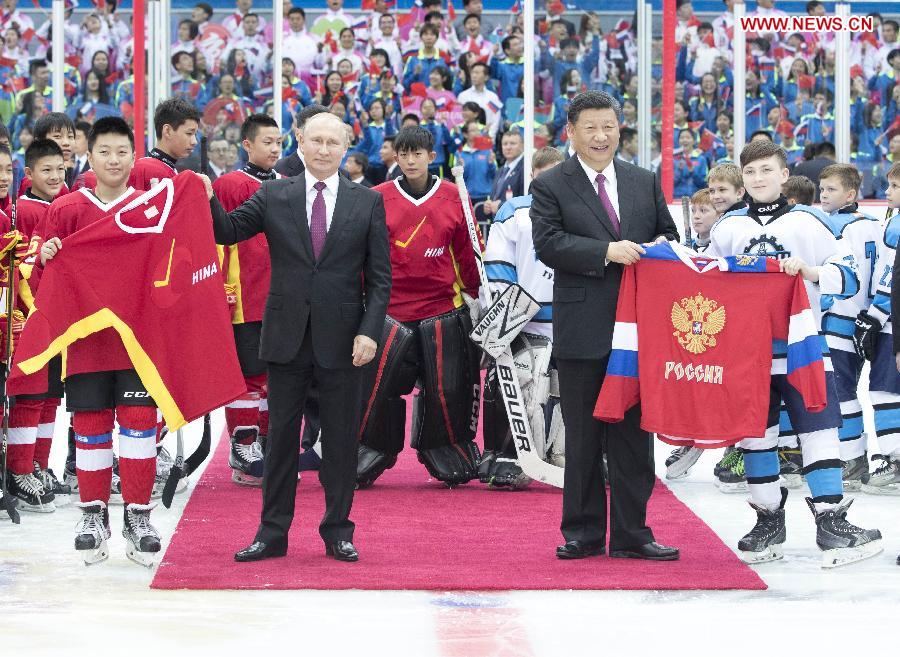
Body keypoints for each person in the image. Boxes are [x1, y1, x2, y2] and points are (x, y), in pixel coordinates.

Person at [207, 111, 391, 564]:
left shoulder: (366, 202)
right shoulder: (273, 194)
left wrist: (370, 332)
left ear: (345, 147)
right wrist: (204, 191)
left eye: (333, 142)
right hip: (286, 337)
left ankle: (338, 531)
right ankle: (271, 534)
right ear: (300, 144)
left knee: (342, 441)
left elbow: (381, 279)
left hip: (345, 341)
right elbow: (225, 231)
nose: (324, 150)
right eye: (316, 141)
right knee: (282, 441)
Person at [709, 139, 882, 567]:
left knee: (818, 430)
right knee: (756, 434)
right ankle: (768, 519)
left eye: (767, 170)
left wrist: (810, 272)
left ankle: (831, 521)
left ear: (784, 175)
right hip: (749, 355)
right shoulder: (729, 227)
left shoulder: (807, 222)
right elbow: (706, 283)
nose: (758, 179)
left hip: (803, 347)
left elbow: (848, 274)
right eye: (750, 173)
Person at [530, 91, 681, 561]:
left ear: (620, 129)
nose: (601, 136)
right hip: (583, 328)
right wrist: (605, 252)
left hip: (639, 332)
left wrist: (656, 246)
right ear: (571, 132)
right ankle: (583, 532)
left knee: (635, 436)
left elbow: (669, 238)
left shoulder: (643, 179)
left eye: (609, 126)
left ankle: (634, 533)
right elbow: (549, 243)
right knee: (583, 436)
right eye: (591, 127)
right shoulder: (552, 184)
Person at [38, 117, 162, 567]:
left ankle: (138, 516)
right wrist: (47, 258)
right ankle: (92, 515)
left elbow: (170, 267)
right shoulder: (67, 208)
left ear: (134, 156)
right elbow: (42, 276)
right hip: (87, 342)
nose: (113, 160)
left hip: (136, 342)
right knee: (90, 428)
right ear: (90, 156)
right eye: (104, 151)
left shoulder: (150, 207)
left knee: (138, 424)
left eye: (122, 152)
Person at [356, 126, 482, 487]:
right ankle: (367, 448)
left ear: (432, 156)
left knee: (449, 389)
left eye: (418, 153)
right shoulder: (376, 197)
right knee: (374, 390)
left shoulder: (454, 196)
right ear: (396, 157)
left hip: (442, 306)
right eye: (404, 153)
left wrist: (476, 293)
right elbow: (363, 255)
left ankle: (447, 448)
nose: (411, 160)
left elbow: (467, 253)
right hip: (389, 309)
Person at [480, 146, 564, 489]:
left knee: (570, 393)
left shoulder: (585, 209)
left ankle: (571, 453)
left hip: (572, 319)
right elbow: (499, 268)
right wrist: (506, 321)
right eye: (545, 176)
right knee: (513, 386)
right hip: (526, 321)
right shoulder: (514, 211)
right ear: (533, 176)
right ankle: (507, 454)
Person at [212, 114, 283, 487]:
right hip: (243, 298)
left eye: (278, 143)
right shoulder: (230, 184)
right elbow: (218, 239)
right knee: (250, 376)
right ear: (247, 145)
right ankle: (244, 444)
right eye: (267, 142)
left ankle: (267, 445)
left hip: (282, 298)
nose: (274, 149)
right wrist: (219, 288)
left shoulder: (290, 184)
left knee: (274, 377)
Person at [1, 139, 67, 512]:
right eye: (47, 170)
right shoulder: (23, 210)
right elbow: (22, 265)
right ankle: (19, 469)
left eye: (60, 169)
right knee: (28, 392)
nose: (56, 176)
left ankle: (37, 464)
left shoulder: (64, 204)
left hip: (56, 317)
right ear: (28, 174)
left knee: (49, 395)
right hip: (27, 317)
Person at [817, 164, 885, 489]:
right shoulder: (876, 224)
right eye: (822, 189)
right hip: (870, 320)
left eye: (830, 189)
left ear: (850, 194)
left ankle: (853, 457)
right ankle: (862, 455)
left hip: (840, 319)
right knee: (853, 390)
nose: (823, 195)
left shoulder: (831, 227)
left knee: (840, 391)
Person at [483, 130, 524, 219]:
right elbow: (496, 197)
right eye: (505, 144)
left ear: (522, 145)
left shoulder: (526, 168)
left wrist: (500, 206)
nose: (508, 147)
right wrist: (489, 205)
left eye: (512, 143)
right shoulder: (501, 170)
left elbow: (525, 200)